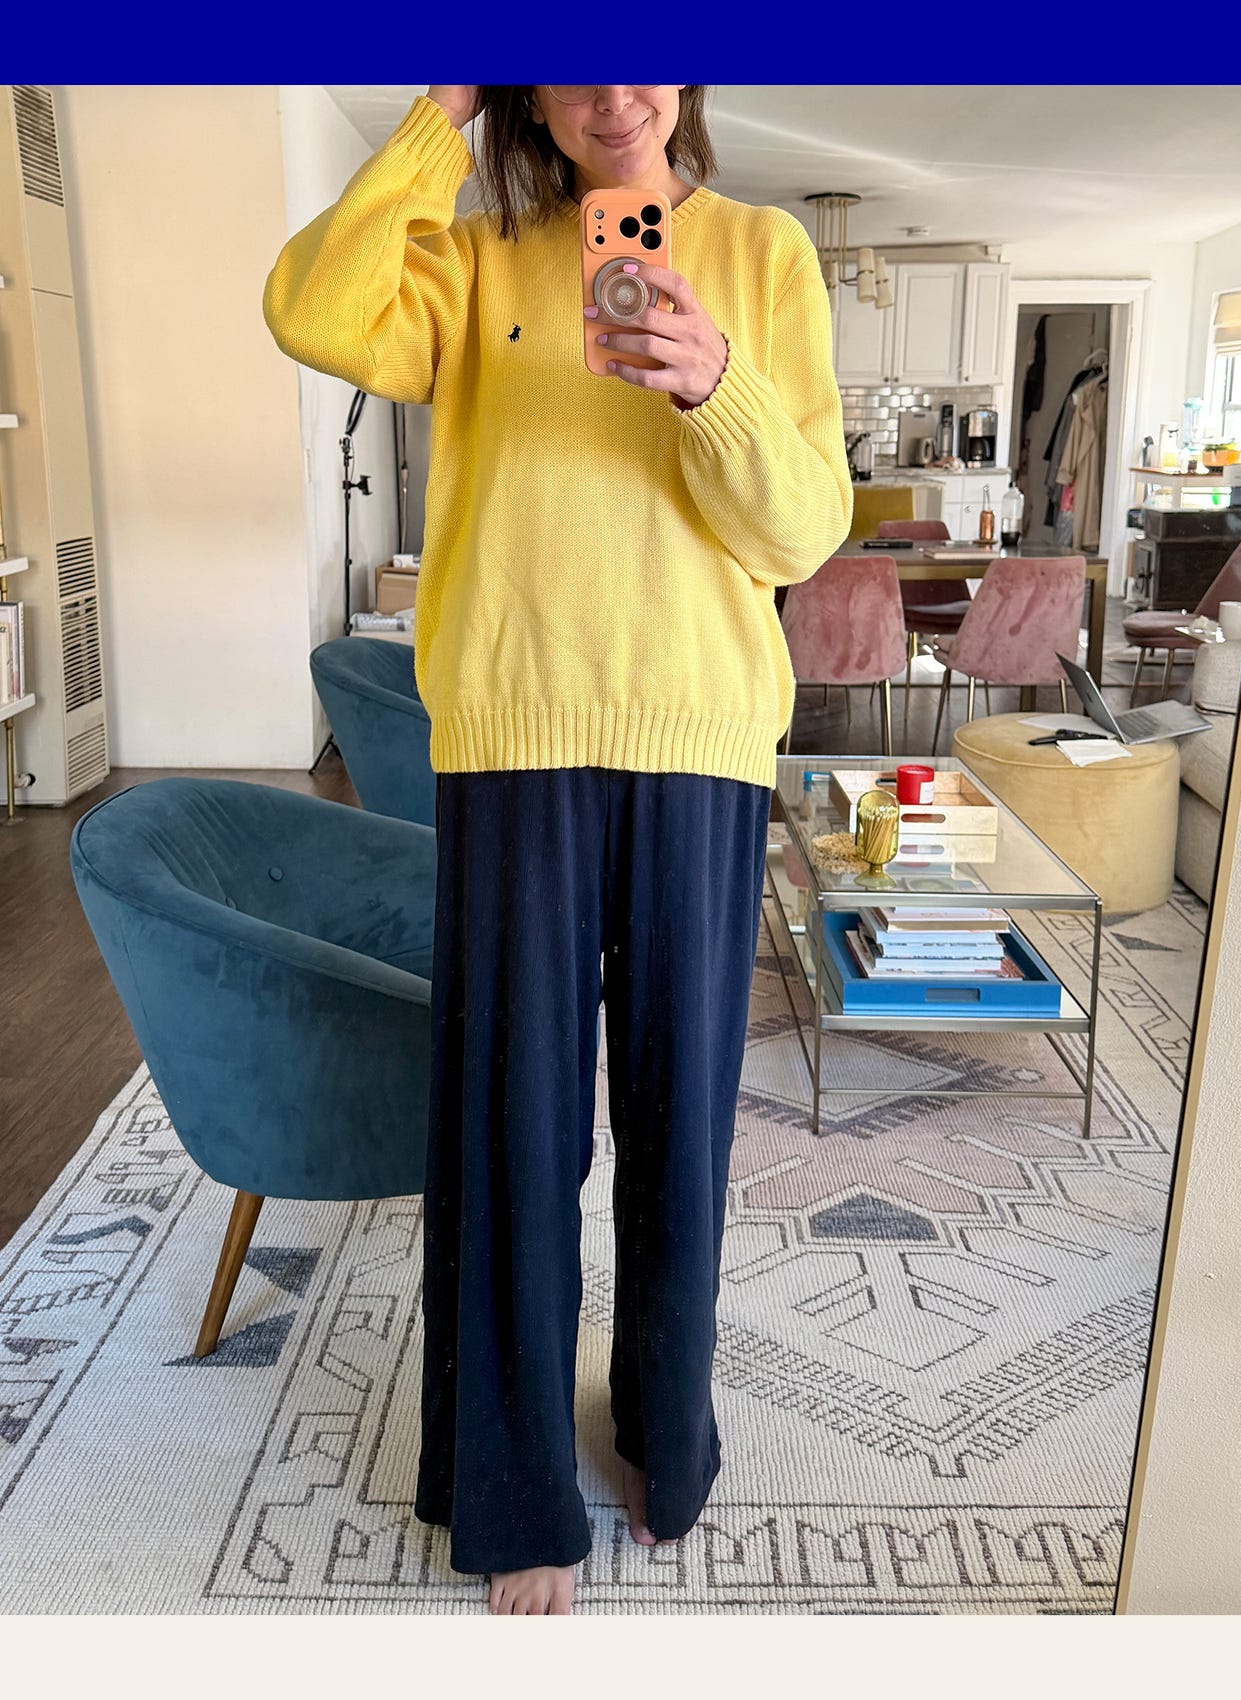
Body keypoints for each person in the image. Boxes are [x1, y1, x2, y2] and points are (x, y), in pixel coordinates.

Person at [263, 84, 850, 1615]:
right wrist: (438, 116)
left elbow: (800, 532)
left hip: (700, 734)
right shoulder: (471, 260)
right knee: (513, 1127)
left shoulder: (766, 256)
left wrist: (715, 384)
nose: (613, 85)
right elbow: (312, 312)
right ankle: (514, 1486)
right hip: (516, 729)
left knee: (680, 1120)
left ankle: (665, 1428)